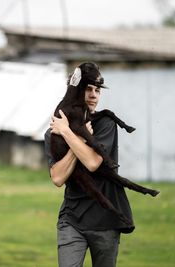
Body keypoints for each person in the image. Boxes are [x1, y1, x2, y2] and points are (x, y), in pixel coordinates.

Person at [44, 62, 135, 267]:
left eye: (97, 90)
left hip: (105, 221)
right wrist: (77, 139)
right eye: (88, 89)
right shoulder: (53, 134)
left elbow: (93, 162)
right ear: (76, 90)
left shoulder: (105, 125)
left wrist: (69, 133)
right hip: (71, 219)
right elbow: (58, 178)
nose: (94, 95)